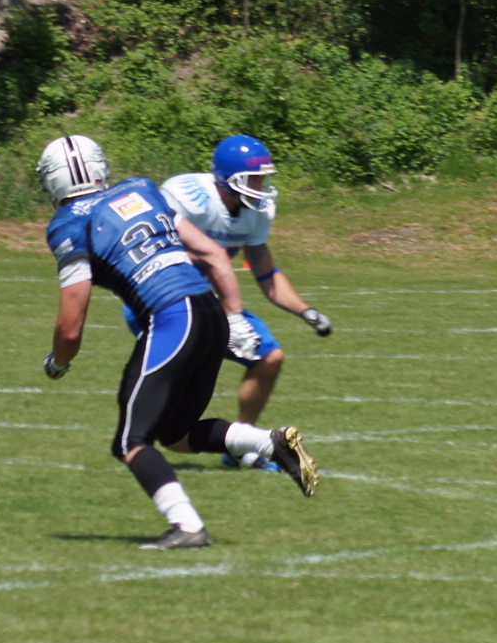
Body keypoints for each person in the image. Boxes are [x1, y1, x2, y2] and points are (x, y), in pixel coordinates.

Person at [39, 135, 318, 549]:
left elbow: (70, 328)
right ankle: (267, 442)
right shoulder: (141, 189)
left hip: (173, 317)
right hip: (210, 313)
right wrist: (235, 316)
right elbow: (211, 252)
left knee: (131, 441)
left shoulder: (68, 224)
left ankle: (188, 527)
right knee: (176, 433)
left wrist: (58, 363)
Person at [148, 135, 334, 451]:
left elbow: (265, 271)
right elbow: (155, 249)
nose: (260, 187)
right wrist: (205, 254)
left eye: (262, 179)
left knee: (270, 357)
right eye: (253, 179)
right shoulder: (189, 197)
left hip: (207, 304)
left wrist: (306, 311)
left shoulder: (256, 211)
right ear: (228, 179)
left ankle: (245, 445)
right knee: (174, 427)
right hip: (162, 299)